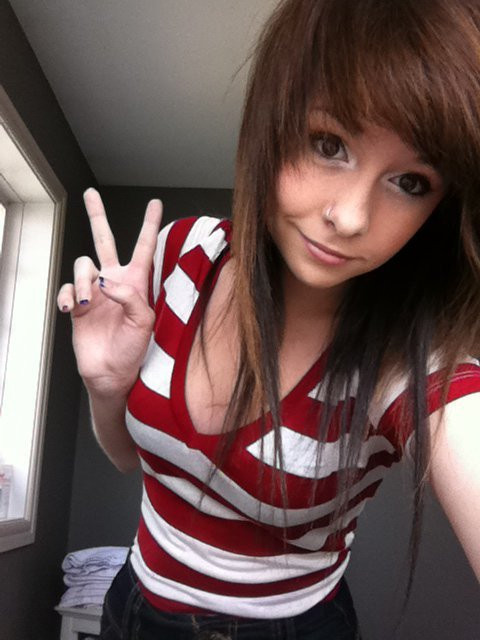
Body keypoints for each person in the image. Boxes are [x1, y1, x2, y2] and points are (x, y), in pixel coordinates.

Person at [58, 0, 480, 638]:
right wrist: (107, 386)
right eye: (330, 145)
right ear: (274, 124)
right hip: (134, 603)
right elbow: (127, 459)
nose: (351, 217)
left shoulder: (407, 361)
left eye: (411, 182)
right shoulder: (181, 253)